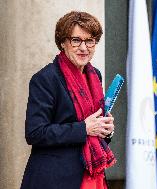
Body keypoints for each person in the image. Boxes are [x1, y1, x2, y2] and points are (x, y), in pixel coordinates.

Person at [20, 11, 116, 189]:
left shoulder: (95, 76)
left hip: (92, 175)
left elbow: (92, 130)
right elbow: (35, 133)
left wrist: (105, 129)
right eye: (76, 40)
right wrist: (84, 128)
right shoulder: (45, 79)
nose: (84, 47)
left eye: (90, 41)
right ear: (63, 42)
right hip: (54, 179)